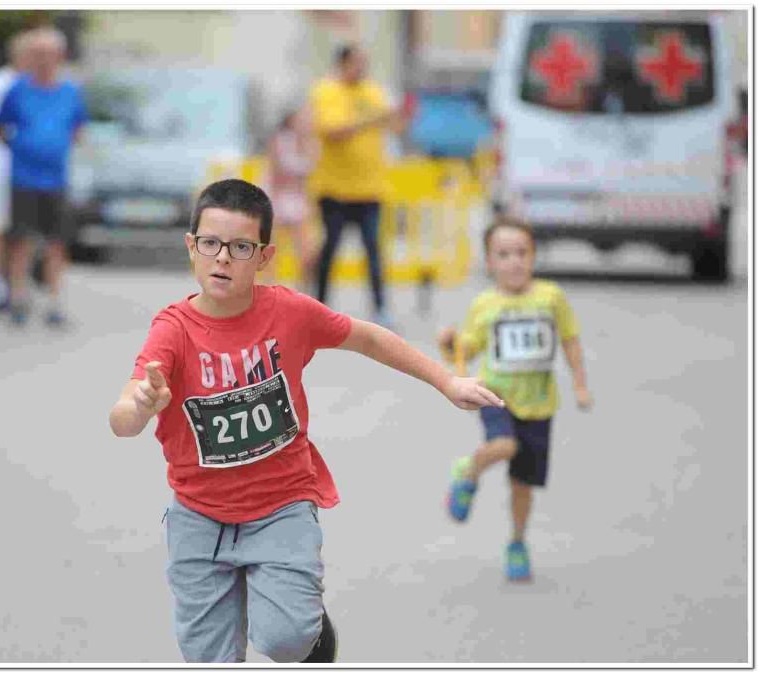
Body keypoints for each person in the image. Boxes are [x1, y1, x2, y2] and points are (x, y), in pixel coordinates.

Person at [109, 178, 504, 663]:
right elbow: (124, 414)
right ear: (191, 247)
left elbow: (369, 339)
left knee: (285, 639)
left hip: (282, 508)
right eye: (210, 244)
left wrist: (446, 382)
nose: (223, 258)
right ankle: (267, 596)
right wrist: (141, 406)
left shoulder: (289, 312)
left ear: (264, 256)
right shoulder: (173, 330)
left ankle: (310, 632)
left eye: (240, 247)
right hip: (199, 519)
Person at [437, 217, 592, 582]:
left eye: (522, 253)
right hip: (498, 394)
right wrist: (450, 343)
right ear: (490, 262)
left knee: (522, 485)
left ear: (534, 256)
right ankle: (468, 473)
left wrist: (580, 385)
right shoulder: (485, 304)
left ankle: (517, 542)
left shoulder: (551, 298)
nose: (514, 262)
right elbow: (469, 347)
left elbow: (570, 340)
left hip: (539, 403)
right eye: (503, 255)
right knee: (503, 445)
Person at [308, 44, 409, 329]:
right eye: (357, 63)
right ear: (342, 64)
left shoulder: (374, 91)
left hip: (370, 189)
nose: (362, 68)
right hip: (335, 189)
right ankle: (319, 306)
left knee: (373, 250)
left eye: (365, 63)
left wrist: (400, 115)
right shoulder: (327, 91)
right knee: (330, 249)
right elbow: (332, 131)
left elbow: (395, 126)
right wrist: (374, 119)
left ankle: (380, 308)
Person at [0, 27, 89, 327]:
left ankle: (53, 302)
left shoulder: (70, 91)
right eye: (37, 54)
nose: (43, 59)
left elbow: (78, 130)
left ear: (60, 56)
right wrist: (22, 147)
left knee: (56, 243)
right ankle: (19, 299)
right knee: (20, 241)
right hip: (23, 178)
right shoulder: (17, 89)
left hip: (56, 179)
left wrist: (54, 147)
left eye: (48, 54)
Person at [0, 30, 35, 313]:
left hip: (29, 173)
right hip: (1, 169)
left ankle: (18, 286)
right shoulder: (0, 83)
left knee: (22, 232)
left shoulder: (35, 83)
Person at [265, 106, 317, 289]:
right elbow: (275, 172)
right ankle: (270, 288)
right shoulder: (279, 140)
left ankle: (304, 290)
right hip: (278, 197)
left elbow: (309, 175)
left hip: (298, 198)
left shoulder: (311, 143)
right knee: (271, 248)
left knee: (307, 249)